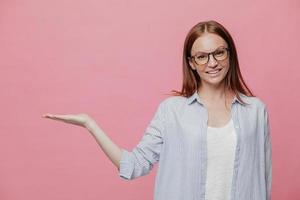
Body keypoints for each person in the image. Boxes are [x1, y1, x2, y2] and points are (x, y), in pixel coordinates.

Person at [42, 20, 272, 200]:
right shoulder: (171, 111)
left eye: (219, 53)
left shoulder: (255, 111)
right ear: (191, 62)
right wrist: (89, 124)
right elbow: (134, 165)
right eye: (202, 57)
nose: (212, 63)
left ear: (230, 54)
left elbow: (263, 179)